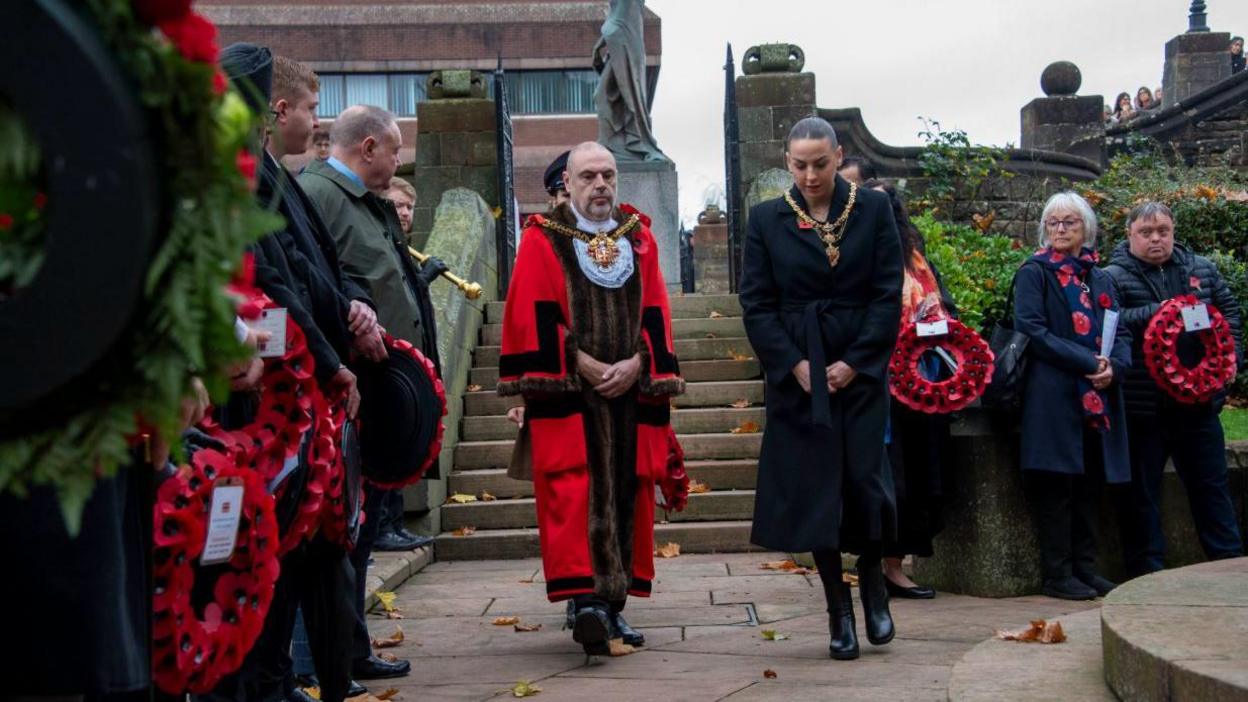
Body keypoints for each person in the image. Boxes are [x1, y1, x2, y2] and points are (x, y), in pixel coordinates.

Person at [497, 141, 684, 656]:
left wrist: (639, 364)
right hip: (572, 392)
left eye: (608, 176)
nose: (600, 185)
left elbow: (656, 308)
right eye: (589, 177)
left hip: (629, 391)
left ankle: (613, 606)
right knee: (573, 492)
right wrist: (581, 363)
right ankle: (585, 604)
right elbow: (533, 311)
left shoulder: (639, 236)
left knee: (627, 489)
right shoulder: (542, 238)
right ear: (569, 183)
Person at [739, 117, 903, 660]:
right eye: (800, 164)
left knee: (863, 481)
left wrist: (856, 363)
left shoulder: (873, 209)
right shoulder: (765, 219)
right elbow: (757, 304)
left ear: (838, 156)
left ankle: (874, 580)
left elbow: (886, 293)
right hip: (799, 374)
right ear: (787, 162)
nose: (811, 175)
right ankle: (837, 608)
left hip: (860, 367)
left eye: (821, 163)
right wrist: (794, 366)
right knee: (816, 492)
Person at [300, 105, 437, 684]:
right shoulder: (320, 194)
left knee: (360, 537)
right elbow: (317, 281)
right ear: (370, 147)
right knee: (341, 534)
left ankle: (351, 649)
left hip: (383, 385)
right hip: (351, 386)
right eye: (396, 148)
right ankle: (327, 657)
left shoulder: (357, 197)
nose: (400, 160)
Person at [1104, 202, 1245, 577]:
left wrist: (1231, 362)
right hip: (1144, 407)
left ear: (1173, 231)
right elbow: (1111, 325)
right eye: (1146, 232)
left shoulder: (1202, 271)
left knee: (1212, 488)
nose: (1155, 239)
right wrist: (1159, 311)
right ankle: (1146, 574)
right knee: (1141, 495)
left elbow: (1229, 318)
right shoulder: (1112, 276)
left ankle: (1229, 566)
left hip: (1199, 406)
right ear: (1130, 235)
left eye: (1162, 231)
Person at [1012, 191, 1132, 601]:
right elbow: (1031, 329)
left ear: (1087, 230)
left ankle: (1085, 568)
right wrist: (1087, 361)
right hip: (1053, 399)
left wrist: (1114, 366)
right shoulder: (1035, 272)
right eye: (1053, 223)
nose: (1060, 230)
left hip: (1095, 401)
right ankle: (1057, 574)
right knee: (1056, 490)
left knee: (1088, 488)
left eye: (1070, 223)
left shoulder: (1099, 276)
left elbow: (1122, 331)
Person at [865, 178, 955, 600]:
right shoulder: (852, 255)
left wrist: (932, 318)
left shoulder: (915, 260)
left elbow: (944, 307)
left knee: (918, 476)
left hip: (920, 380)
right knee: (888, 477)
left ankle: (896, 565)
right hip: (876, 382)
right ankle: (880, 566)